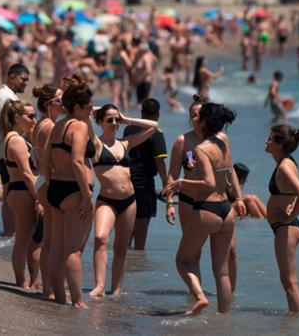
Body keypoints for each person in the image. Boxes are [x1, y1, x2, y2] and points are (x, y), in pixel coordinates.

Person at [162, 103, 244, 315]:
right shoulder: (191, 141)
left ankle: (200, 297)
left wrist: (181, 183)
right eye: (193, 114)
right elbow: (174, 171)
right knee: (219, 270)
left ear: (205, 120)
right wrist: (171, 202)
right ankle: (221, 320)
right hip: (217, 207)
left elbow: (212, 180)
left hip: (206, 206)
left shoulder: (203, 147)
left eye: (199, 114)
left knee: (183, 260)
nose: (195, 118)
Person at [90, 104, 159, 297]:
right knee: (100, 238)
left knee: (121, 247)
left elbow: (154, 126)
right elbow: (85, 119)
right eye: (109, 120)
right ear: (100, 122)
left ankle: (117, 289)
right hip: (107, 201)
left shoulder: (126, 143)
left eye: (116, 120)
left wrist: (126, 118)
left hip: (129, 201)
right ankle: (99, 286)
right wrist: (94, 110)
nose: (114, 123)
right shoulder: (95, 143)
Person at [47, 76, 95, 308]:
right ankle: (78, 301)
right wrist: (86, 196)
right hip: (74, 190)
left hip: (56, 188)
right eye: (88, 108)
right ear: (77, 107)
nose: (91, 111)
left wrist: (50, 181)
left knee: (57, 248)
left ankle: (59, 295)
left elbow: (45, 159)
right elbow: (78, 162)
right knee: (73, 250)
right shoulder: (79, 126)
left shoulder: (58, 125)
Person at [265, 124, 299, 314]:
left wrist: (290, 216)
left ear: (279, 144)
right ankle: (293, 322)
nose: (266, 141)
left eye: (270, 138)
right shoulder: (286, 162)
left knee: (289, 281)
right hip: (286, 227)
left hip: (287, 227)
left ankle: (295, 325)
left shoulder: (284, 167)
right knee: (288, 281)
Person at [0, 100, 40, 289]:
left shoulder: (14, 138)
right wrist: (39, 198)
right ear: (17, 117)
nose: (34, 119)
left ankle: (29, 280)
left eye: (35, 116)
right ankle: (22, 281)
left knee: (25, 239)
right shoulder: (16, 140)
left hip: (18, 192)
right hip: (23, 192)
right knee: (24, 240)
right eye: (30, 116)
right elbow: (26, 173)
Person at [32, 83, 66, 299]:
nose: (64, 105)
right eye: (60, 101)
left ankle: (48, 287)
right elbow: (47, 161)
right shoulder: (49, 127)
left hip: (43, 181)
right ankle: (50, 288)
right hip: (47, 181)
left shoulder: (43, 124)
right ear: (48, 104)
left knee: (49, 241)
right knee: (53, 243)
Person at [0, 63, 30, 236]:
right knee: (10, 191)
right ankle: (9, 232)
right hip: (6, 150)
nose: (25, 83)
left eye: (27, 80)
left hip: (2, 149)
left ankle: (10, 231)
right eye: (23, 79)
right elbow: (7, 125)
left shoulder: (6, 95)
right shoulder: (6, 97)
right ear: (11, 77)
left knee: (9, 190)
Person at [123, 98, 168, 251]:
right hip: (144, 184)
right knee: (141, 234)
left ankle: (124, 263)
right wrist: (166, 185)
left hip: (127, 181)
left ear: (141, 112)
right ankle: (137, 266)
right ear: (158, 114)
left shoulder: (129, 129)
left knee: (127, 229)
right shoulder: (156, 132)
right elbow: (160, 163)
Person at [227, 162, 266, 294]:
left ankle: (266, 218)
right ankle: (263, 219)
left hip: (236, 208)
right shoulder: (229, 183)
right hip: (230, 209)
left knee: (252, 198)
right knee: (250, 198)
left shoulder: (233, 185)